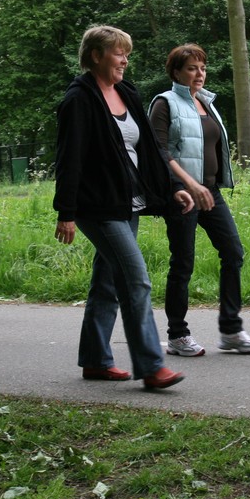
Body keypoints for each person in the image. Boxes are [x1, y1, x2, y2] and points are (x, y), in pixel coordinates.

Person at [54, 25, 194, 389]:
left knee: (106, 283)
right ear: (96, 55)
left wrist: (173, 188)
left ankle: (95, 360)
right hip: (96, 206)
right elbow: (69, 159)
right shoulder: (79, 100)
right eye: (119, 53)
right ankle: (151, 366)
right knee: (135, 280)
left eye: (126, 54)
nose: (125, 60)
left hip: (127, 202)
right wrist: (66, 212)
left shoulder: (126, 93)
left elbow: (149, 149)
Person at [148, 44, 250, 356]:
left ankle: (231, 330)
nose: (200, 74)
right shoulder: (165, 103)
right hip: (182, 195)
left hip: (211, 192)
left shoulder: (206, 103)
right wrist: (187, 184)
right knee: (183, 263)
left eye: (202, 68)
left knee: (233, 253)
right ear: (176, 72)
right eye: (191, 68)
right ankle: (177, 335)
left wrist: (211, 184)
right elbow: (158, 151)